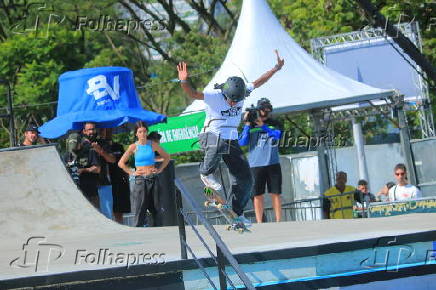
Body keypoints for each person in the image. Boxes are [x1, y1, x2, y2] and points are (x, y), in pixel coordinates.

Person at [176, 50, 284, 227]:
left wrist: (275, 68)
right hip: (210, 136)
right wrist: (184, 80)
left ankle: (236, 213)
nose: (233, 104)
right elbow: (193, 94)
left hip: (230, 140)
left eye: (236, 102)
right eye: (231, 101)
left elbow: (259, 81)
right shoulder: (214, 95)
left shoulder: (244, 91)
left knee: (246, 178)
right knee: (219, 140)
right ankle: (205, 171)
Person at [238, 98, 283, 223]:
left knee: (276, 193)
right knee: (257, 195)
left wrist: (264, 126)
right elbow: (242, 142)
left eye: (267, 110)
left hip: (273, 163)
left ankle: (279, 221)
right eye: (262, 110)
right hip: (255, 165)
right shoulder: (251, 125)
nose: (264, 113)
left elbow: (278, 135)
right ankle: (259, 222)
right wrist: (247, 124)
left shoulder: (275, 123)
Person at [118, 121, 170, 227]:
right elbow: (121, 163)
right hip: (140, 180)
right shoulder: (133, 147)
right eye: (140, 132)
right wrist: (132, 172)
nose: (142, 134)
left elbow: (167, 157)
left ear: (147, 132)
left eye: (144, 131)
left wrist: (160, 169)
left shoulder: (153, 145)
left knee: (156, 207)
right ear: (136, 134)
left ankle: (159, 231)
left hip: (153, 178)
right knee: (140, 208)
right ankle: (138, 231)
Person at [64, 122, 101, 208]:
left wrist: (84, 170)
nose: (73, 150)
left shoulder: (90, 150)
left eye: (75, 146)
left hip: (90, 192)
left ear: (80, 143)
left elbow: (98, 168)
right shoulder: (67, 155)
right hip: (74, 194)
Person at [99, 128, 131, 224]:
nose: (106, 132)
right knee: (106, 211)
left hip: (119, 182)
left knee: (119, 210)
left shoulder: (118, 147)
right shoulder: (96, 147)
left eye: (108, 130)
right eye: (103, 130)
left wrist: (126, 177)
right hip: (103, 182)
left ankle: (120, 228)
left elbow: (124, 163)